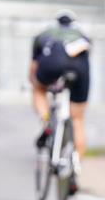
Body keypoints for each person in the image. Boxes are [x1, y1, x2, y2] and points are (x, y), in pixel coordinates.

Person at [30, 10, 91, 185]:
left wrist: (35, 82)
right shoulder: (82, 35)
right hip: (79, 70)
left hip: (50, 64)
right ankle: (76, 167)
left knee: (38, 90)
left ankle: (46, 121)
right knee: (78, 119)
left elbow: (33, 68)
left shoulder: (44, 35)